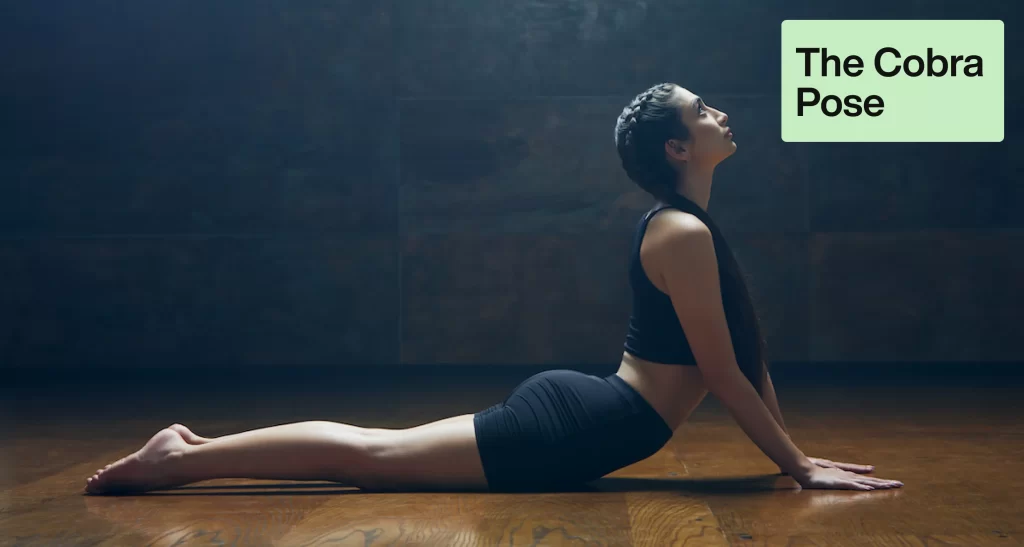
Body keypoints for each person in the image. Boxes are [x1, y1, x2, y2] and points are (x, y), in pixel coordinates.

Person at [84, 83, 903, 495]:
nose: (721, 114)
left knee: (377, 450)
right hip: (584, 423)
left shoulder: (692, 229)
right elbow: (722, 376)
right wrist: (796, 465)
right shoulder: (681, 233)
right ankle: (178, 460)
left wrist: (797, 456)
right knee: (373, 457)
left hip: (594, 415)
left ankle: (187, 453)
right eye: (703, 111)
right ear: (677, 149)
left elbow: (744, 354)